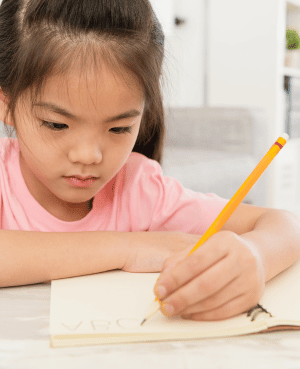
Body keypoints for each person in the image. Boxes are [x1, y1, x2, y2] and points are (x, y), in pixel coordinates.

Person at [0, 0, 299, 323]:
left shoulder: (140, 188)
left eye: (119, 128)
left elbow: (286, 225)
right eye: (57, 124)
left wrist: (256, 257)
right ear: (7, 105)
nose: (88, 156)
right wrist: (128, 249)